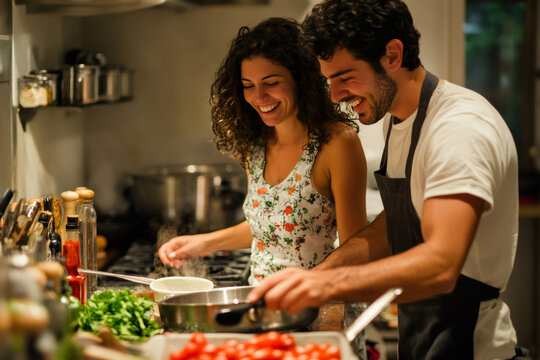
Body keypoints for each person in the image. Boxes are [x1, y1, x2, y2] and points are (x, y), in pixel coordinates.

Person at [247, 1, 520, 359]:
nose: (336, 95)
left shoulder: (458, 129)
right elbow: (394, 223)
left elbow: (441, 264)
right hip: (424, 340)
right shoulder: (401, 119)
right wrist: (317, 273)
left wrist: (324, 284)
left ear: (392, 55)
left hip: (473, 347)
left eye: (345, 77)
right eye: (329, 80)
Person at [158, 17, 367, 287]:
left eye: (271, 82)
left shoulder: (337, 143)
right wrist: (202, 243)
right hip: (262, 305)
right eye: (248, 85)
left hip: (321, 303)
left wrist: (311, 286)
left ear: (300, 80)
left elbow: (356, 251)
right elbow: (273, 226)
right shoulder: (254, 145)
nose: (259, 96)